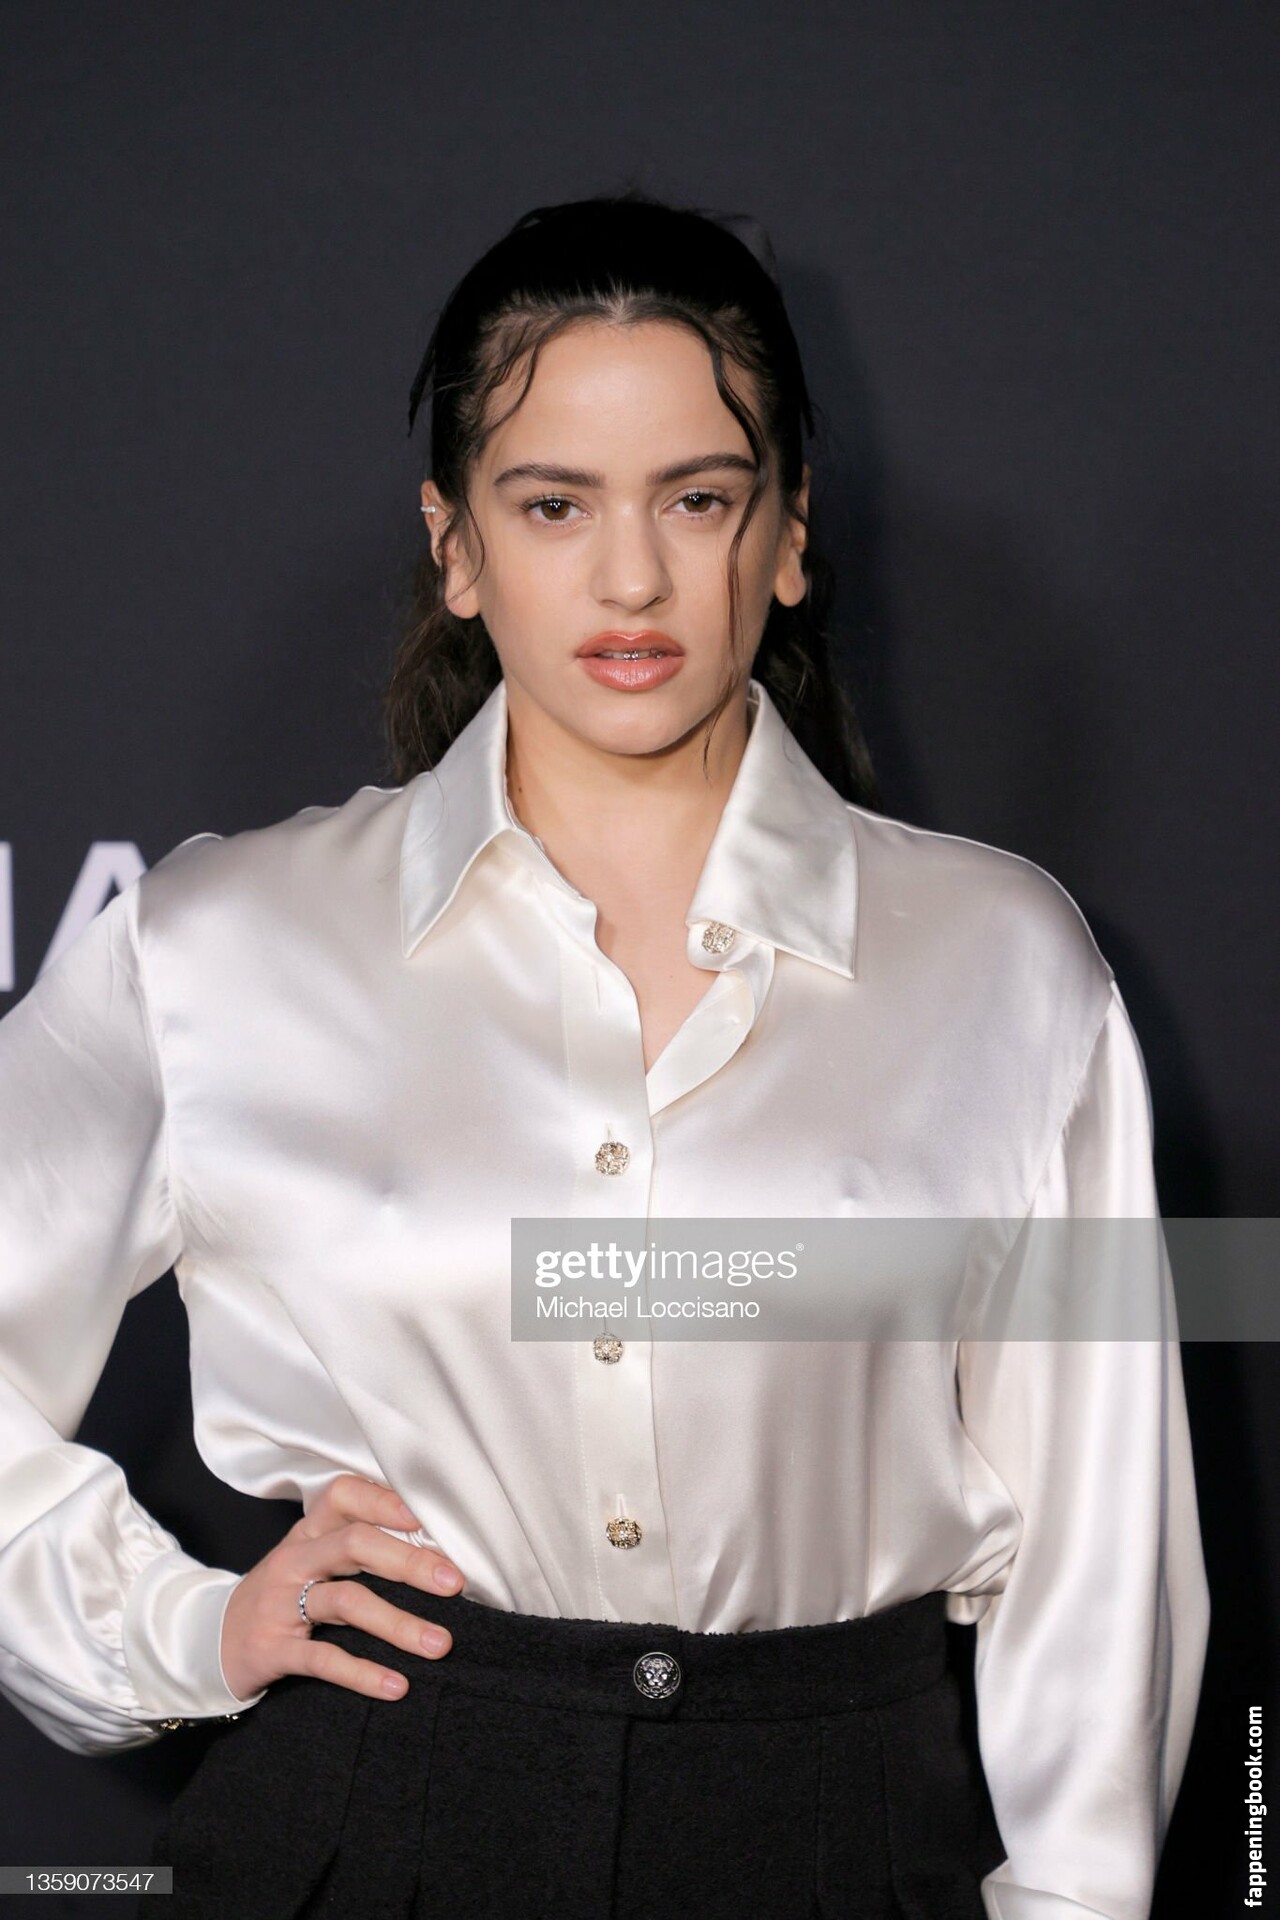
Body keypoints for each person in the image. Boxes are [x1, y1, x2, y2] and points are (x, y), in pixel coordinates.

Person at [0, 190, 1208, 1920]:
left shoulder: (1003, 967)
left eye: (697, 499)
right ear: (456, 546)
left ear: (786, 535)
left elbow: (1099, 1562)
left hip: (845, 1839)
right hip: (370, 1828)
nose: (630, 578)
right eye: (552, 504)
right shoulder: (219, 948)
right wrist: (179, 1624)